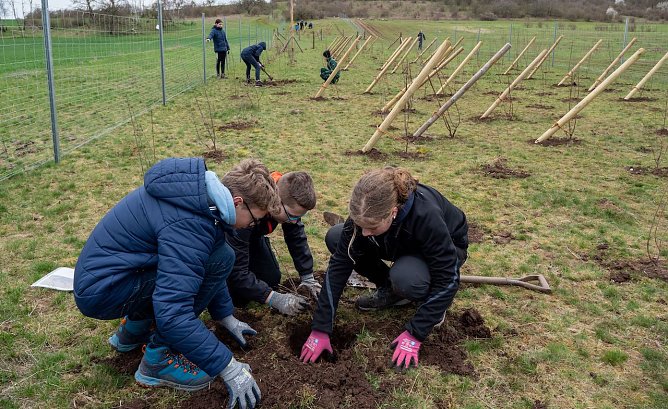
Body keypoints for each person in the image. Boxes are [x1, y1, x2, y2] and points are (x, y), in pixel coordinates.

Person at [74, 157, 282, 408]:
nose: (253, 224)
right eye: (255, 218)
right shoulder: (191, 224)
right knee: (185, 286)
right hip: (104, 291)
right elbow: (173, 311)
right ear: (238, 203)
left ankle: (134, 329)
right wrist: (228, 367)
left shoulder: (198, 197)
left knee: (220, 256)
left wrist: (226, 316)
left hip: (112, 275)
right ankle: (158, 359)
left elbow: (213, 259)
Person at [300, 167, 469, 369]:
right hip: (397, 239)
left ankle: (428, 300)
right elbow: (339, 266)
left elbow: (448, 277)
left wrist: (416, 332)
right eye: (360, 225)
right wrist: (321, 327)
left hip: (445, 247)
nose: (364, 232)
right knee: (337, 238)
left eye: (371, 227)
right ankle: (390, 290)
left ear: (393, 212)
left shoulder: (427, 217)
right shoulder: (365, 211)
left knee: (407, 279)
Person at [226, 171, 319, 316]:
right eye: (292, 216)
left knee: (271, 279)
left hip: (254, 238)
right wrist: (274, 299)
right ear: (276, 201)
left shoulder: (288, 202)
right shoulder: (244, 215)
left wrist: (307, 276)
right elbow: (238, 271)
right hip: (230, 240)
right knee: (238, 293)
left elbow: (296, 238)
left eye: (300, 216)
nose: (294, 221)